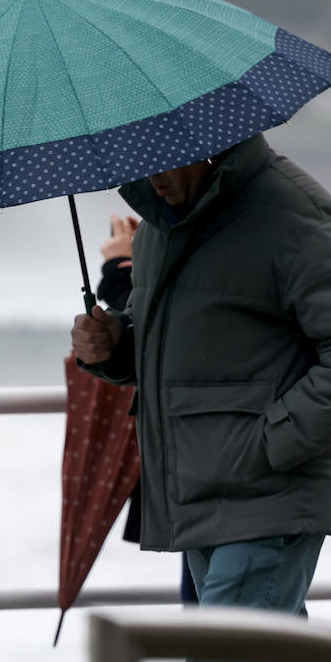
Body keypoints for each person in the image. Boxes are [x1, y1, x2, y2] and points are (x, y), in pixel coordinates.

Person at [72, 134, 331, 662]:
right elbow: (182, 343)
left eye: (162, 153)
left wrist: (269, 446)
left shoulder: (291, 212)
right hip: (201, 489)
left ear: (208, 139)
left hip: (264, 492)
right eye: (139, 154)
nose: (151, 172)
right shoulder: (161, 225)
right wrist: (113, 345)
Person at [99, 214, 198, 606]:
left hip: (217, 465)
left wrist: (121, 269)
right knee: (243, 641)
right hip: (203, 468)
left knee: (219, 639)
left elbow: (175, 333)